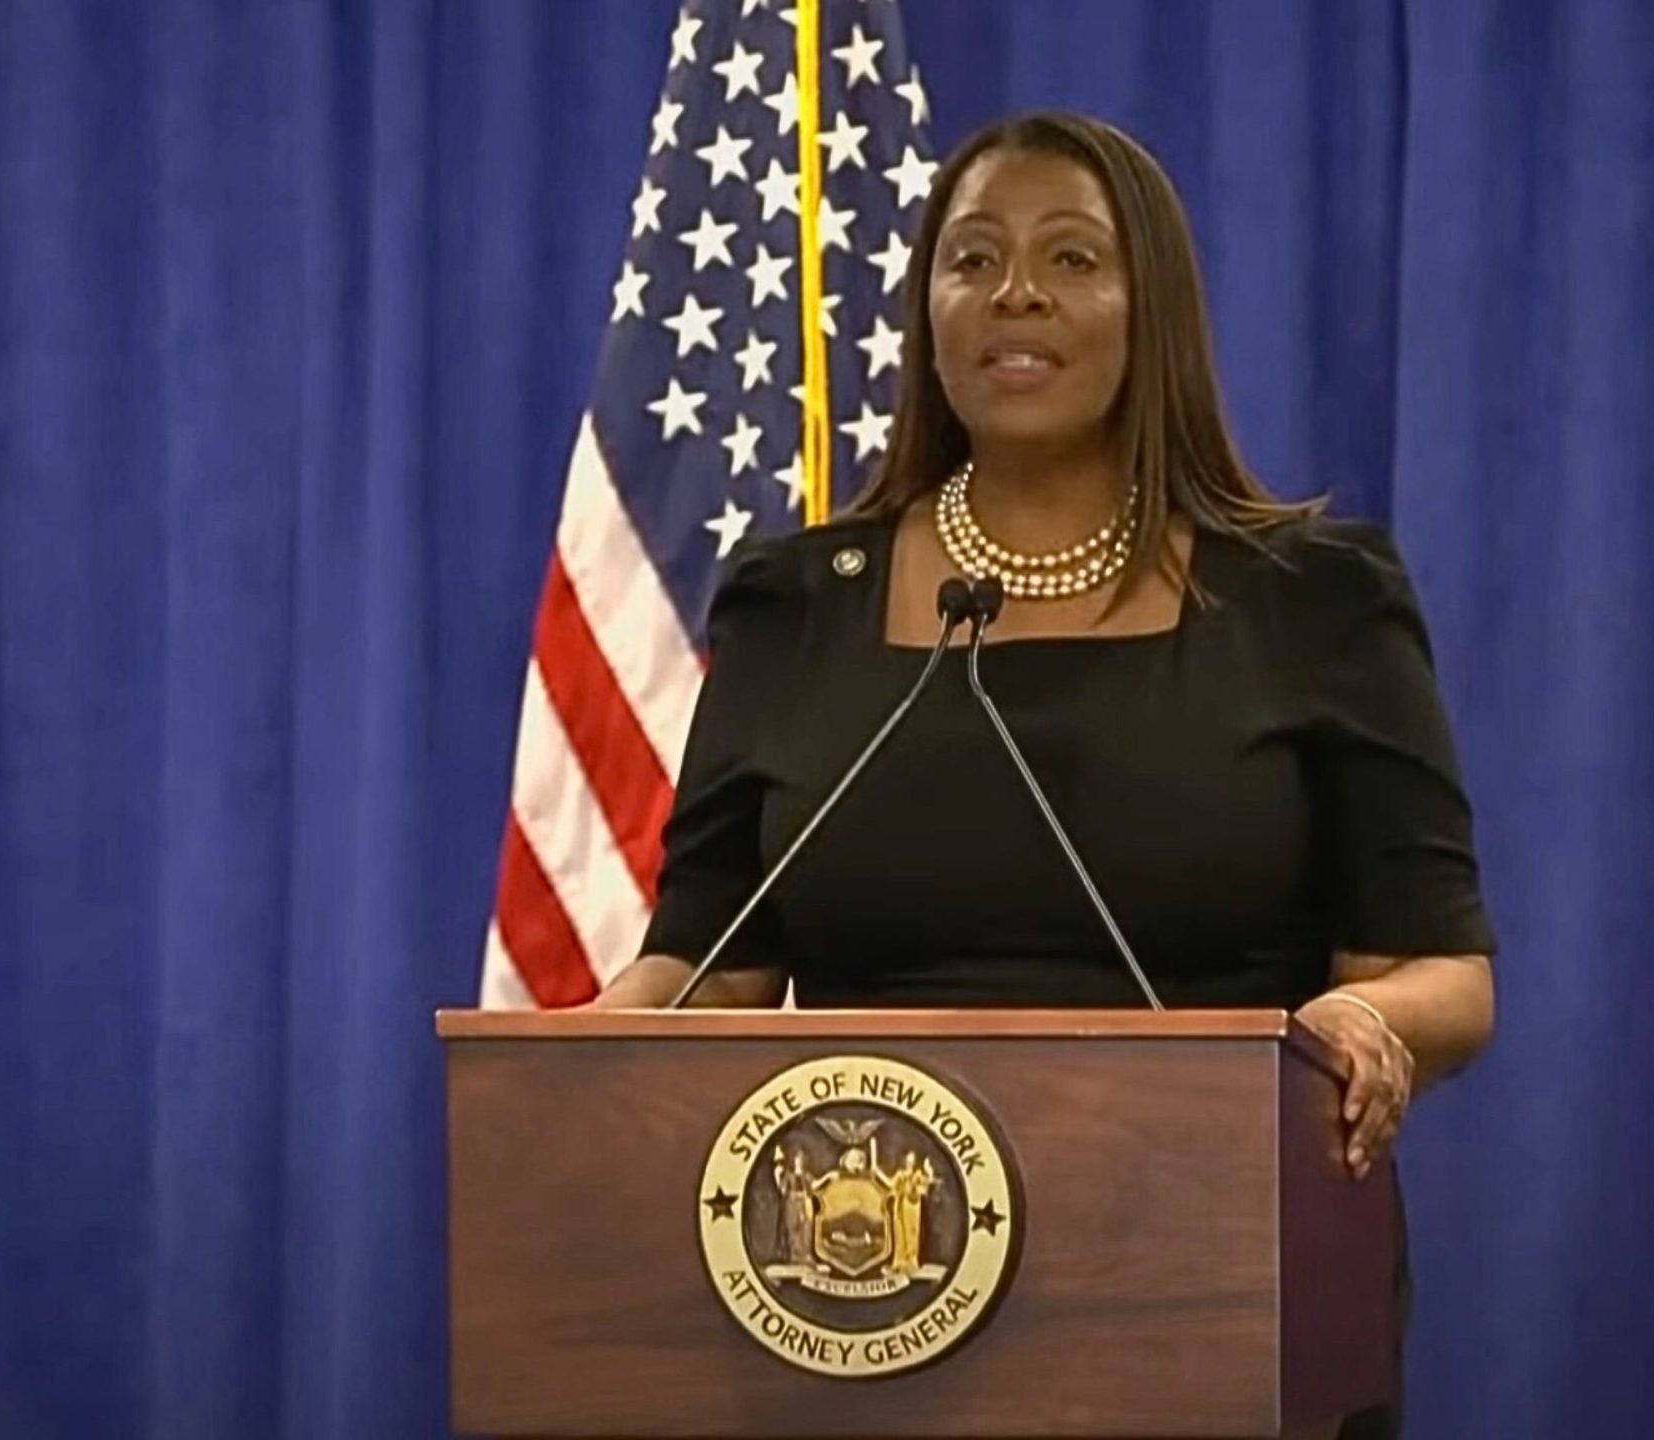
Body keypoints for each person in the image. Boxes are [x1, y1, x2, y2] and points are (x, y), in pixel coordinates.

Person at [580, 110, 1498, 1439]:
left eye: (1073, 259)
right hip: (853, 1318)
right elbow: (707, 965)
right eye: (973, 260)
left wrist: (1359, 1032)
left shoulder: (1313, 602)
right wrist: (581, 1052)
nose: (1017, 292)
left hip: (1210, 1283)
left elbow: (1444, 973)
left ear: (1153, 311)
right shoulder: (794, 606)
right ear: (929, 311)